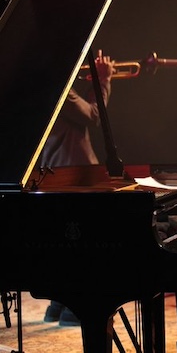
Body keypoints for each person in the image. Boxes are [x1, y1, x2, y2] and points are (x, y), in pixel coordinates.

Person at [40, 51, 115, 326]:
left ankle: (59, 305)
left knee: (65, 240)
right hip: (79, 171)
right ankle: (78, 308)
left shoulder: (38, 84)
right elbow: (94, 115)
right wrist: (103, 79)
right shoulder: (60, 87)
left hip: (52, 169)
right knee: (87, 242)